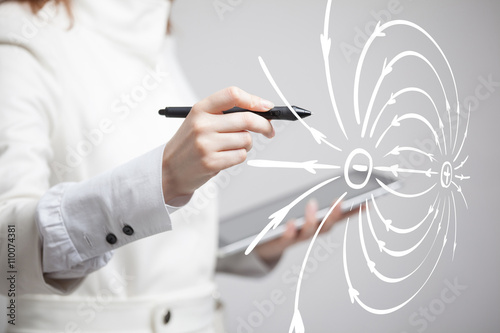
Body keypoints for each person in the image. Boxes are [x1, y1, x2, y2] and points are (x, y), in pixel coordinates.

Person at [0, 0, 349, 331]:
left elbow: (149, 250)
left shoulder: (155, 32)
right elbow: (7, 251)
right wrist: (161, 178)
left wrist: (257, 246)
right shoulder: (20, 36)